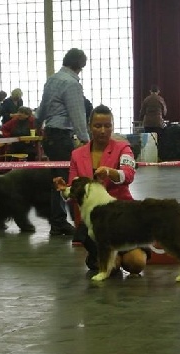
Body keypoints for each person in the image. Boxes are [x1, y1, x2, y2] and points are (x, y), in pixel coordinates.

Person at [54, 105, 147, 274]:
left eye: (108, 125)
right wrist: (63, 189)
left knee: (136, 263)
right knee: (112, 265)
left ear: (112, 126)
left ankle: (110, 256)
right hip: (94, 220)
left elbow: (128, 175)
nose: (103, 130)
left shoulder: (123, 148)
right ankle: (103, 257)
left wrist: (111, 172)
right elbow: (72, 187)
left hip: (122, 217)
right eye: (98, 126)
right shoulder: (77, 154)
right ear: (89, 127)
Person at [35, 48, 90, 236]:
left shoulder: (52, 79)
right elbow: (77, 115)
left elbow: (41, 109)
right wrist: (86, 141)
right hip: (61, 136)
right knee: (68, 179)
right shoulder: (72, 84)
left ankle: (58, 221)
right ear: (80, 66)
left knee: (57, 178)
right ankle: (61, 222)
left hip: (49, 135)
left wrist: (38, 125)